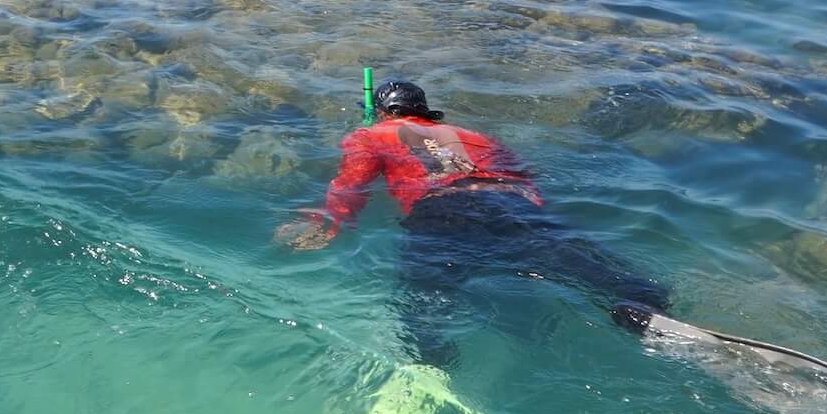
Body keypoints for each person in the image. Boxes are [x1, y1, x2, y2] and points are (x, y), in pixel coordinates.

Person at [275, 78, 670, 367]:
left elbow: (351, 185)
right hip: (512, 204)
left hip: (445, 209)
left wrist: (330, 221)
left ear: (383, 112)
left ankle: (434, 363)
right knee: (575, 262)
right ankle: (644, 304)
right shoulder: (474, 135)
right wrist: (528, 213)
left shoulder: (371, 135)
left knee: (424, 299)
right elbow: (522, 176)